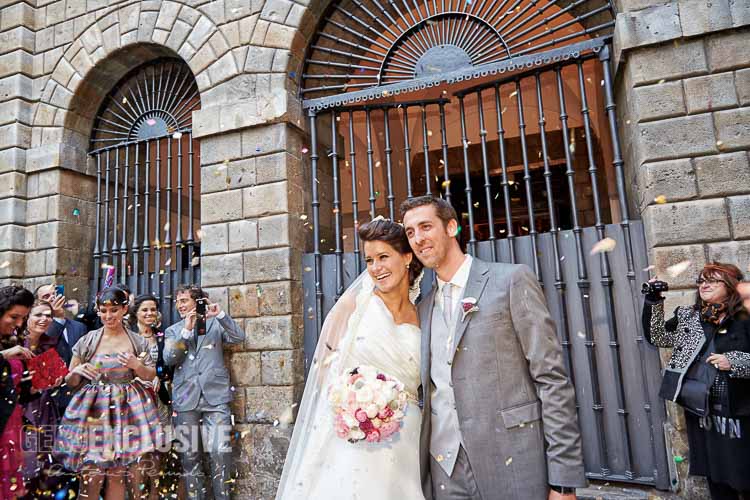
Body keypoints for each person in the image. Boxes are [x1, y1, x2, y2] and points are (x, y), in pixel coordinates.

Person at [401, 195, 585, 500]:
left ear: (451, 227)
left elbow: (551, 379)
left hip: (513, 461)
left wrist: (563, 481)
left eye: (425, 226)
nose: (418, 239)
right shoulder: (421, 308)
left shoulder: (510, 280)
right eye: (410, 232)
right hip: (444, 469)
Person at [277, 217, 425, 499]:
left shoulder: (424, 317)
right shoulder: (354, 305)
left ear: (407, 257)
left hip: (406, 437)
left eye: (383, 257)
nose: (376, 268)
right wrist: (348, 403)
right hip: (352, 433)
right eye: (369, 261)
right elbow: (324, 363)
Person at [643, 262, 750, 500]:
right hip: (704, 411)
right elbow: (658, 336)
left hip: (741, 411)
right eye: (701, 280)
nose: (704, 285)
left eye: (713, 280)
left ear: (732, 285)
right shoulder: (690, 316)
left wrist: (736, 361)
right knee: (717, 474)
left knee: (743, 471)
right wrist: (653, 300)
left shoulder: (745, 315)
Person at [54, 287, 163, 500]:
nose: (108, 316)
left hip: (127, 410)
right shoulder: (88, 340)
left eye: (113, 310)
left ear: (124, 309)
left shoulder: (137, 340)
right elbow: (70, 381)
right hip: (93, 412)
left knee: (117, 473)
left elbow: (150, 375)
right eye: (103, 311)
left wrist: (136, 365)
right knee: (91, 473)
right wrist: (76, 372)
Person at [163, 284, 245, 500]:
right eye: (177, 302)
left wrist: (222, 315)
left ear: (197, 302)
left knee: (220, 451)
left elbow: (238, 337)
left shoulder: (216, 324)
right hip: (185, 399)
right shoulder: (174, 330)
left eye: (184, 301)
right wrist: (186, 331)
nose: (179, 305)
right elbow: (170, 358)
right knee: (190, 457)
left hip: (215, 398)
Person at [128, 294, 183, 500]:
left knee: (161, 448)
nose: (149, 313)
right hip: (136, 401)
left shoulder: (163, 336)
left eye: (153, 310)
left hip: (159, 400)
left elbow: (170, 365)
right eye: (145, 310)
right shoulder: (129, 337)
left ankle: (155, 493)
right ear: (136, 314)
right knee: (141, 450)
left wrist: (161, 377)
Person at [20, 301, 69, 498]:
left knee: (49, 463)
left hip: (47, 408)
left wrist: (56, 382)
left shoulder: (51, 342)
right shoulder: (15, 344)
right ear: (27, 318)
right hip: (22, 410)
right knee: (27, 463)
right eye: (38, 315)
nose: (44, 319)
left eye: (48, 315)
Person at [0, 286, 35, 499]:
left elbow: (16, 390)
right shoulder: (8, 349)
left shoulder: (15, 338)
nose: (19, 324)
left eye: (23, 318)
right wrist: (3, 355)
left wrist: (36, 387)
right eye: (14, 317)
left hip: (11, 421)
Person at [34, 284, 87, 415]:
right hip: (51, 398)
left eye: (54, 294)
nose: (52, 298)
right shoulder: (37, 327)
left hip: (78, 396)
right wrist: (57, 319)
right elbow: (45, 345)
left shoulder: (79, 327)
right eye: (46, 296)